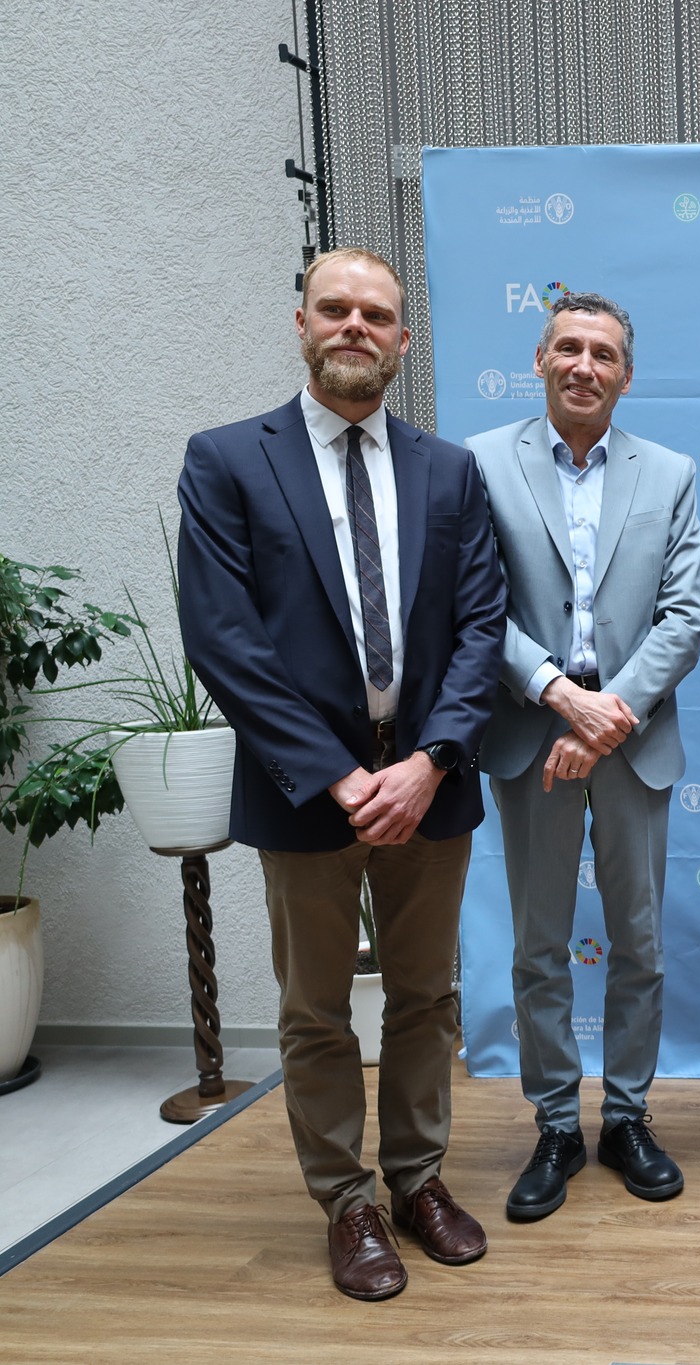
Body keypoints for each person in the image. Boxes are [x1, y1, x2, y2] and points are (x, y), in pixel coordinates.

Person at [176, 247, 506, 1300]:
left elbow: (481, 626)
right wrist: (334, 774)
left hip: (430, 785)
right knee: (315, 1010)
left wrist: (428, 761)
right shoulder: (228, 460)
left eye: (376, 314)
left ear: (404, 339)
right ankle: (347, 1201)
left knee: (426, 996)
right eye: (336, 309)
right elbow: (223, 636)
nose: (355, 326)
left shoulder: (449, 471)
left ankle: (417, 1179)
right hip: (303, 791)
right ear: (302, 324)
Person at [466, 292, 700, 1221]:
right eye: (568, 347)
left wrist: (608, 713)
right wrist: (559, 696)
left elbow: (684, 614)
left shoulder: (671, 472)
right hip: (534, 734)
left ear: (626, 374)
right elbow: (475, 604)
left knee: (640, 943)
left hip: (631, 739)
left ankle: (630, 1117)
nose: (584, 365)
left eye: (603, 354)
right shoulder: (483, 462)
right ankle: (558, 1124)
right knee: (539, 945)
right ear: (540, 359)